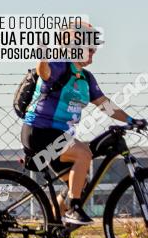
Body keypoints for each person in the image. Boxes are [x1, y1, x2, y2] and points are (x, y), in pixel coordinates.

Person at [21, 23, 144, 225]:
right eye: (90, 49)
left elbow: (105, 105)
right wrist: (42, 56)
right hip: (39, 132)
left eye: (95, 49)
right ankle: (75, 208)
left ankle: (51, 229)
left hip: (59, 137)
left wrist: (131, 120)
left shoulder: (86, 78)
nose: (93, 53)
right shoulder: (60, 65)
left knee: (78, 182)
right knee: (84, 154)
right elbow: (44, 73)